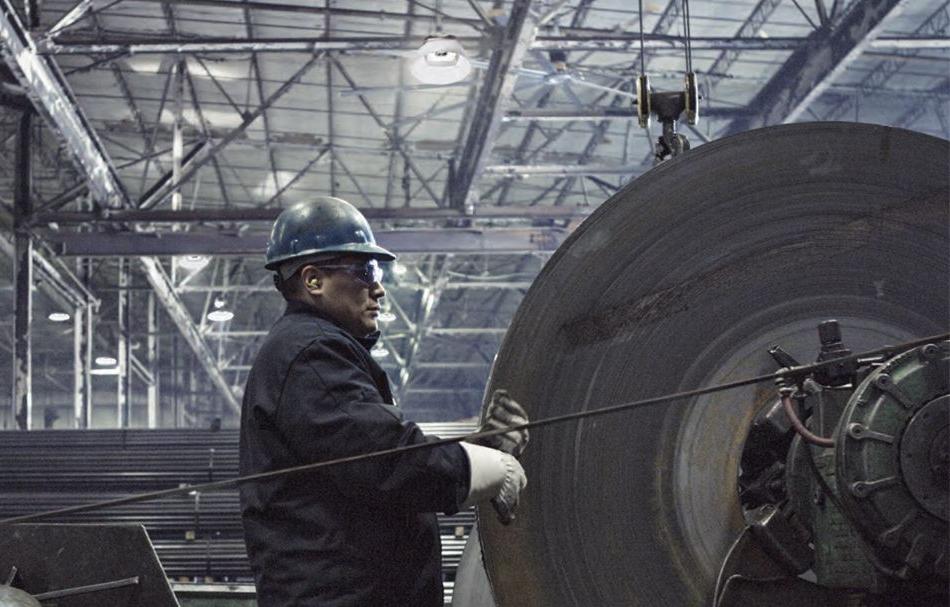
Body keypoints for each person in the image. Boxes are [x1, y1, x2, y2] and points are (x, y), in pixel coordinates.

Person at [239, 197, 529, 607]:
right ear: (313, 280)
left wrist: (480, 449)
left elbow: (367, 458)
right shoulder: (311, 356)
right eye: (364, 270)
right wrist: (484, 468)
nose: (378, 286)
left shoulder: (309, 352)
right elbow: (387, 460)